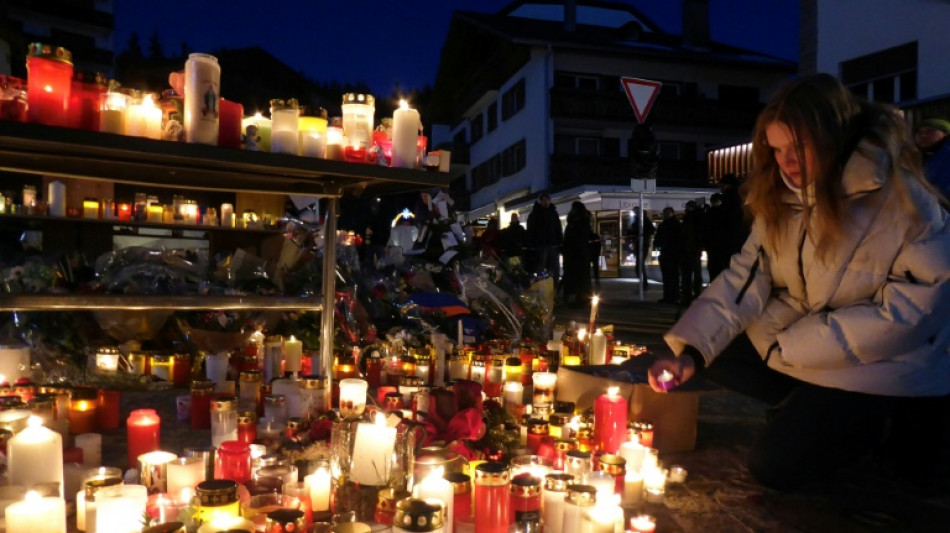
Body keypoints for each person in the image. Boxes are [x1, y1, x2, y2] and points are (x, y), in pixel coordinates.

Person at [648, 73, 950, 491]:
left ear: (835, 134)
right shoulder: (782, 198)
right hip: (812, 345)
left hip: (886, 367)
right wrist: (691, 354)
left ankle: (884, 427)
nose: (786, 161)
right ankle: (806, 407)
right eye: (776, 149)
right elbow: (744, 279)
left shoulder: (901, 200)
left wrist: (797, 342)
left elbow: (913, 311)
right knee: (715, 350)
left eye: (799, 146)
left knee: (774, 466)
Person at [560, 201, 593, 306]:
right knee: (581, 276)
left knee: (577, 276)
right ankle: (581, 297)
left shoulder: (576, 223)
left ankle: (579, 298)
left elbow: (573, 238)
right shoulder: (583, 221)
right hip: (580, 253)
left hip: (575, 253)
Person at [526, 194, 563, 283]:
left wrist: (560, 241)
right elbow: (531, 230)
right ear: (540, 201)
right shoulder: (536, 213)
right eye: (544, 200)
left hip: (551, 244)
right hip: (542, 245)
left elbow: (558, 228)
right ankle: (543, 284)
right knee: (542, 266)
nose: (546, 202)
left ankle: (553, 284)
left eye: (547, 200)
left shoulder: (552, 213)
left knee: (551, 267)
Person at [914, 118, 950, 199]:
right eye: (920, 132)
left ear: (945, 134)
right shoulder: (928, 154)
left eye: (930, 131)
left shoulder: (946, 154)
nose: (923, 135)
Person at [653, 206, 682, 304]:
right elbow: (658, 237)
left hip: (672, 253)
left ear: (672, 213)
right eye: (665, 213)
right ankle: (668, 296)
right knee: (667, 276)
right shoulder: (665, 225)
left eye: (667, 213)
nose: (665, 215)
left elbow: (678, 239)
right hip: (666, 252)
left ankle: (673, 296)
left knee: (672, 275)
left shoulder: (675, 225)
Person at [678, 200, 704, 303]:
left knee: (690, 273)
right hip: (691, 249)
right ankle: (692, 294)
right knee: (693, 273)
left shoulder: (692, 218)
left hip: (691, 249)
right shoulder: (694, 217)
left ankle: (689, 295)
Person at [628, 207, 654, 290]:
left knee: (640, 265)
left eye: (636, 211)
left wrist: (642, 235)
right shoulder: (636, 220)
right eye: (634, 212)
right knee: (639, 265)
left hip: (643, 244)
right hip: (638, 243)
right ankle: (643, 283)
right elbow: (633, 231)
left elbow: (651, 230)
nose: (635, 213)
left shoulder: (644, 219)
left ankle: (644, 284)